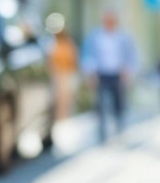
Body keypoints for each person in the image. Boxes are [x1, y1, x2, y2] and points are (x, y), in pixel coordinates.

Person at [82, 10, 139, 140]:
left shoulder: (124, 37)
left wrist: (129, 71)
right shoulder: (95, 36)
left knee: (119, 103)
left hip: (118, 74)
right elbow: (88, 55)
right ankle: (102, 133)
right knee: (101, 104)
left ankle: (120, 129)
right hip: (101, 74)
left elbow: (131, 56)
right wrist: (91, 73)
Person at [46, 18, 80, 122]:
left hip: (67, 75)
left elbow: (74, 62)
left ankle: (65, 121)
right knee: (57, 103)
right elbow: (50, 62)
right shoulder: (53, 45)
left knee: (67, 103)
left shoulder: (69, 44)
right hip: (57, 76)